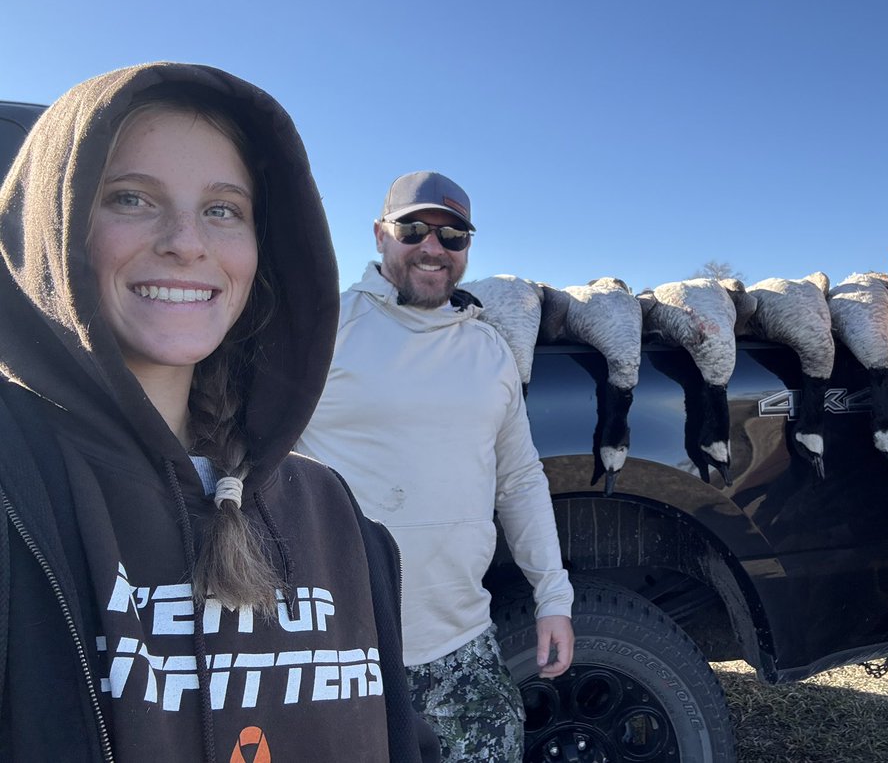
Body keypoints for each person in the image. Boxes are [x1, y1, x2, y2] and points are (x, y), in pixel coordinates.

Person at [0, 63, 438, 762]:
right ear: (51, 229)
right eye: (130, 198)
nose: (186, 241)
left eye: (222, 209)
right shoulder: (20, 501)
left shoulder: (333, 515)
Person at [299, 170, 574, 762]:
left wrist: (554, 599)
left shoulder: (489, 350)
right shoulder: (323, 331)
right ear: (380, 235)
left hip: (462, 645)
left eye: (453, 236)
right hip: (340, 653)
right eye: (414, 229)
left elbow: (520, 480)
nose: (433, 247)